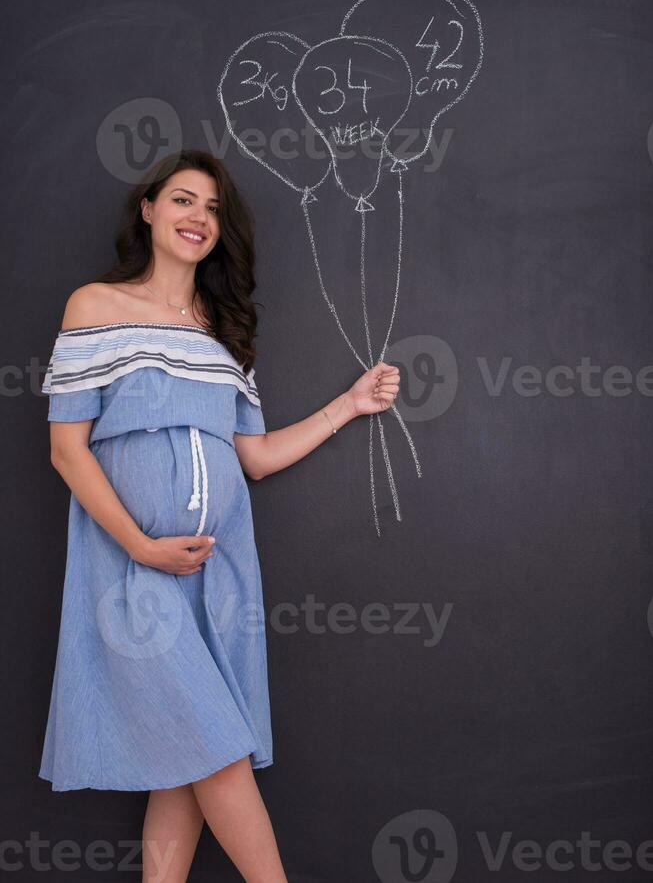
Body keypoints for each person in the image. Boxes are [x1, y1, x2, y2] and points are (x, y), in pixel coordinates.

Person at [39, 148, 400, 882]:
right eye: (181, 200)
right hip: (130, 567)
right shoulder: (95, 307)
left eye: (210, 208)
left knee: (184, 760)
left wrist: (350, 405)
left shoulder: (222, 330)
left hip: (219, 570)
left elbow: (256, 457)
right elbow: (67, 453)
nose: (196, 217)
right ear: (148, 209)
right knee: (215, 748)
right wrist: (141, 546)